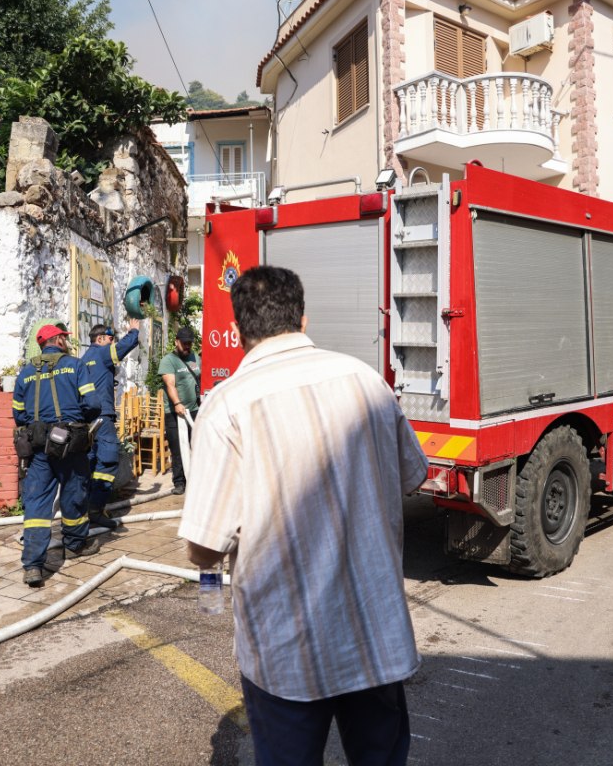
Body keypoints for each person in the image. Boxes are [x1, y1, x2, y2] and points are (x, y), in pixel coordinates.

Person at [178, 266, 429, 766]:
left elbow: (205, 548)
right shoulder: (367, 381)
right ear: (303, 319)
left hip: (287, 654)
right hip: (375, 634)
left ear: (240, 330)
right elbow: (413, 476)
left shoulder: (227, 406)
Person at [12, 324, 95, 587]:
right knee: (74, 493)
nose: (66, 342)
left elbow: (18, 414)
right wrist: (78, 419)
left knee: (36, 503)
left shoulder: (26, 372)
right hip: (70, 444)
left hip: (38, 446)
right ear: (58, 340)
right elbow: (92, 404)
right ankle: (74, 545)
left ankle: (33, 566)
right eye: (64, 338)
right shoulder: (76, 365)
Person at [80, 319, 141, 534]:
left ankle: (85, 508)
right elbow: (124, 347)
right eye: (110, 338)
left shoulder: (83, 359)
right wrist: (133, 331)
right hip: (103, 417)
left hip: (86, 420)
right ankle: (96, 510)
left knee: (90, 462)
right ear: (99, 339)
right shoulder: (101, 353)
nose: (112, 342)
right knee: (108, 461)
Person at [159, 326, 201, 494]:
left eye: (189, 343)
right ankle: (179, 482)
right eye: (184, 343)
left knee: (196, 446)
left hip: (194, 410)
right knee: (177, 448)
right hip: (175, 412)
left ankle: (195, 480)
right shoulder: (168, 360)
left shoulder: (195, 357)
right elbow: (170, 384)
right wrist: (177, 403)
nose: (187, 346)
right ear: (176, 342)